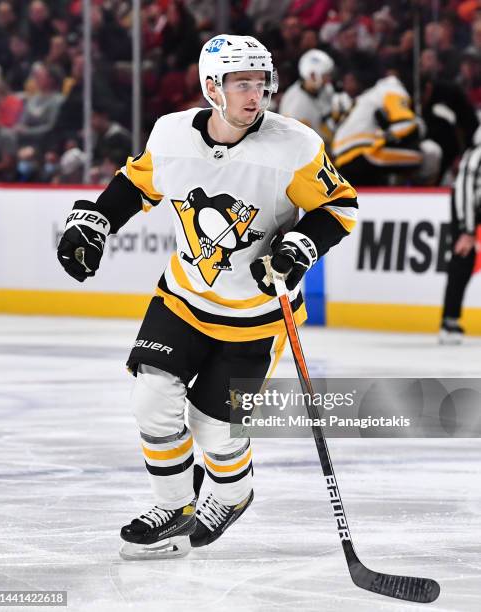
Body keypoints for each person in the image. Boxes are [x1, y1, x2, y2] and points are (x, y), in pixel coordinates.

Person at [56, 34, 358, 560]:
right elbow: (138, 182)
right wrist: (96, 222)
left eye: (261, 84)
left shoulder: (295, 146)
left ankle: (232, 494)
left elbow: (340, 207)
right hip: (182, 301)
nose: (254, 95)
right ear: (211, 85)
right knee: (151, 400)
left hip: (255, 319)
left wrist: (297, 249)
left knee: (213, 429)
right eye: (242, 83)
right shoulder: (171, 134)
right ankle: (174, 507)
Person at [439, 143, 481, 344]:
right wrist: (467, 229)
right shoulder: (477, 154)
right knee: (463, 257)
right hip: (467, 206)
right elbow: (464, 188)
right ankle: (449, 321)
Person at [279, 49, 335, 144]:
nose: (329, 79)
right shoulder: (296, 107)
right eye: (326, 75)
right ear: (313, 76)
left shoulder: (325, 89)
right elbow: (297, 144)